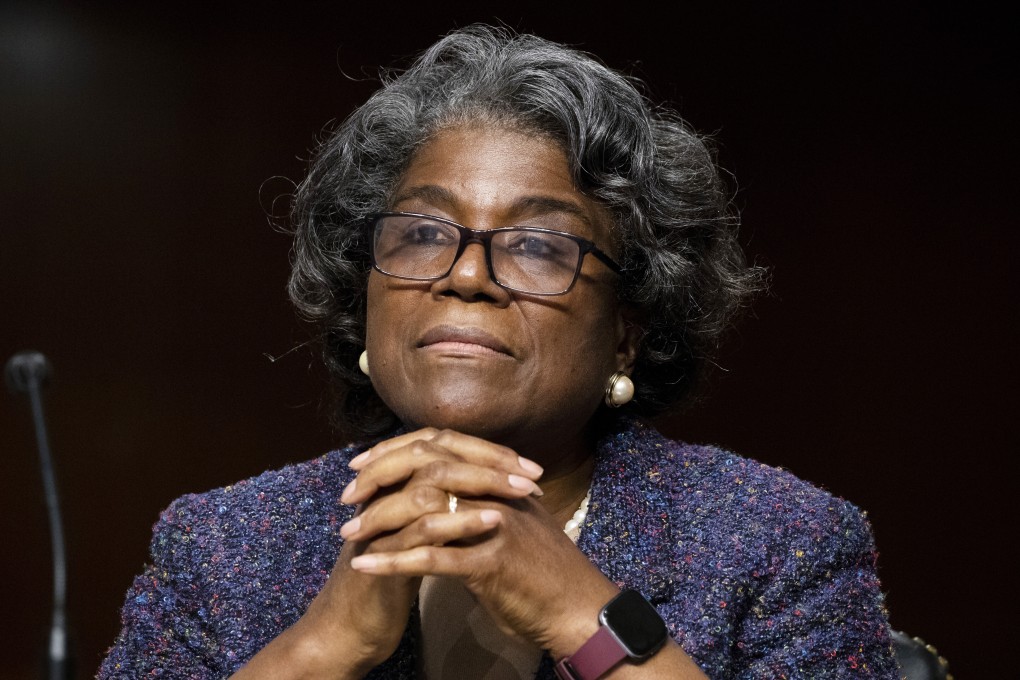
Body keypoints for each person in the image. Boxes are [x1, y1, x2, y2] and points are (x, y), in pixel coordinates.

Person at [98, 25, 898, 679]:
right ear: (363, 296)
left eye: (539, 246)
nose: (468, 276)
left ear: (628, 326)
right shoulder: (222, 545)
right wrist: (326, 646)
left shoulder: (775, 545)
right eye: (421, 234)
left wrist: (576, 612)